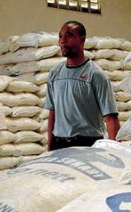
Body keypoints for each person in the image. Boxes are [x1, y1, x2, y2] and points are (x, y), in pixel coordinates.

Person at [44, 20, 120, 151]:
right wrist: (49, 149)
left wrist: (115, 152)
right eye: (60, 36)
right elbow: (53, 113)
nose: (62, 41)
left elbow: (111, 118)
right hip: (59, 144)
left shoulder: (96, 75)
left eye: (69, 35)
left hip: (88, 144)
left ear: (82, 40)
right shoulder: (55, 74)